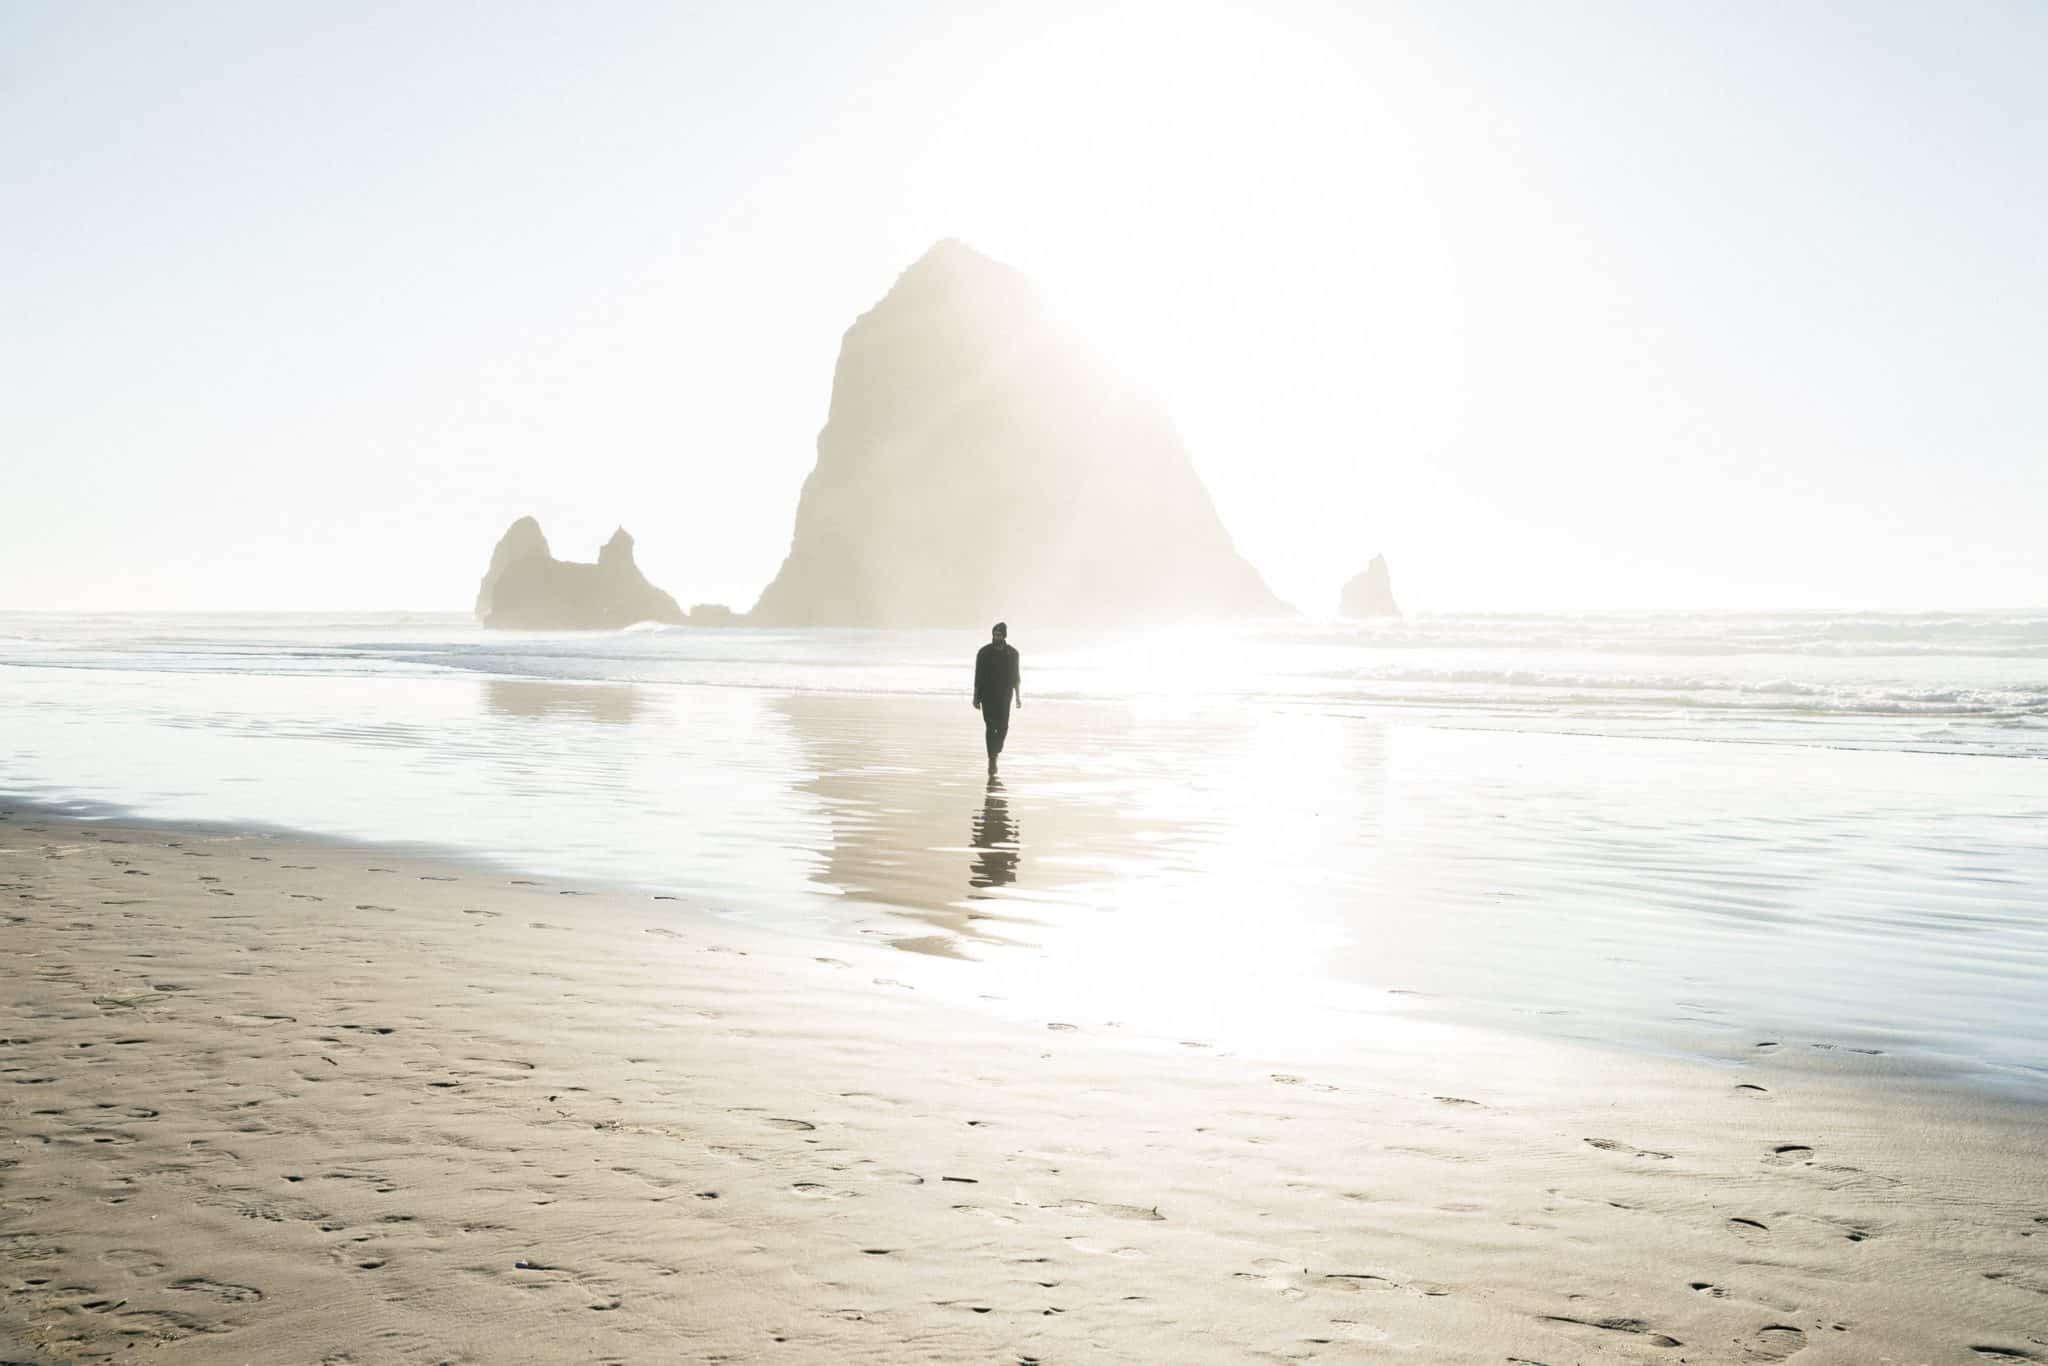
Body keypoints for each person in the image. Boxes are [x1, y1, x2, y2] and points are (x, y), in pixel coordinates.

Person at [972, 621, 1021, 777]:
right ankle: (992, 759)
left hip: (1005, 696)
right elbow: (978, 676)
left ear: (1004, 635)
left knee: (1003, 727)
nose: (996, 637)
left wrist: (1018, 697)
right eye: (994, 634)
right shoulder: (984, 653)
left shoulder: (1013, 653)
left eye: (999, 634)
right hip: (987, 695)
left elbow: (1016, 677)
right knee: (990, 727)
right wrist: (975, 697)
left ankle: (997, 749)